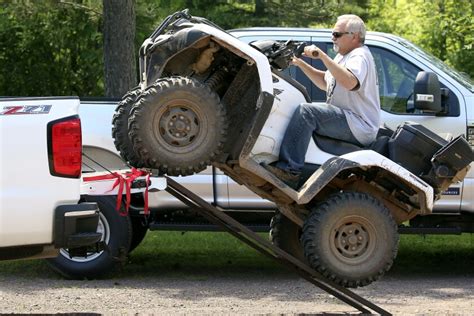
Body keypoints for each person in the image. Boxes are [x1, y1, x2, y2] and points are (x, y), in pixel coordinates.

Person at [265, 14, 380, 189]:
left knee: (307, 112)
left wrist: (322, 56)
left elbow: (350, 82)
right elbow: (325, 83)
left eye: (337, 34)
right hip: (349, 119)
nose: (332, 38)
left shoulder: (360, 55)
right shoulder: (344, 56)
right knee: (304, 110)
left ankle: (289, 170)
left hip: (358, 124)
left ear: (354, 36)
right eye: (332, 34)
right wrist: (300, 63)